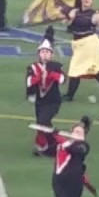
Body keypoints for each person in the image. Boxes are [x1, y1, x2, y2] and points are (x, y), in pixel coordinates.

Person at [49, 116, 98, 197]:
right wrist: (53, 135)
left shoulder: (83, 146)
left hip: (75, 183)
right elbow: (51, 149)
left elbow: (74, 149)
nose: (77, 134)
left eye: (80, 133)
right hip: (60, 182)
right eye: (75, 132)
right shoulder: (62, 145)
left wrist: (60, 138)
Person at [62, 0, 99, 102]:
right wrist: (69, 17)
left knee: (86, 70)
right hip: (78, 45)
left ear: (92, 1)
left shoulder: (94, 15)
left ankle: (70, 96)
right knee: (80, 69)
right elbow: (65, 24)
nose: (86, 0)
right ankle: (70, 95)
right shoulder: (75, 11)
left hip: (89, 44)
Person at [27, 27, 65, 156]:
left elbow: (62, 80)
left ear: (52, 54)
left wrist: (51, 75)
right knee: (42, 124)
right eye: (42, 52)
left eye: (47, 52)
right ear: (39, 54)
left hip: (53, 101)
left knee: (43, 122)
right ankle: (52, 145)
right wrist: (39, 77)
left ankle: (53, 143)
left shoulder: (56, 66)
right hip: (40, 102)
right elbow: (29, 82)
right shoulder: (33, 67)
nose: (45, 54)